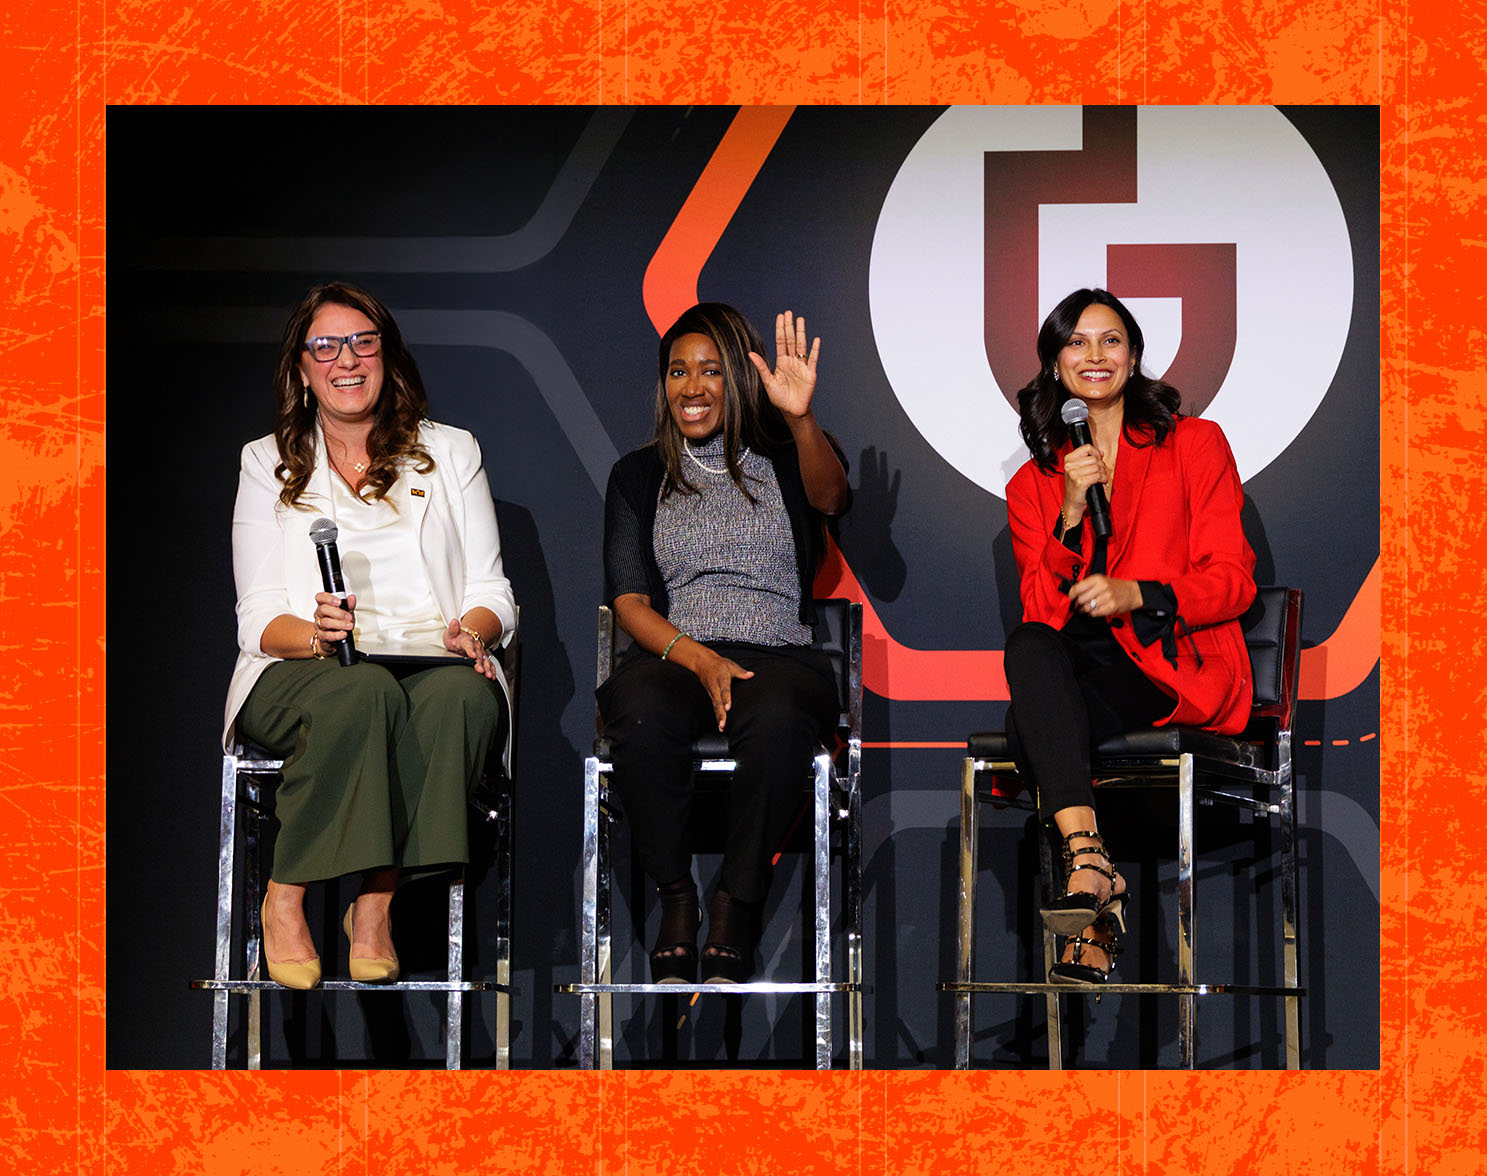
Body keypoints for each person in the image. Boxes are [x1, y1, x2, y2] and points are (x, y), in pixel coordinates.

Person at [222, 282, 517, 989]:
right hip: (302, 667)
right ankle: (285, 893)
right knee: (363, 692)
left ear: (387, 356)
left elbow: (492, 593)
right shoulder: (266, 463)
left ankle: (375, 900)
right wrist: (317, 635)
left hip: (431, 655)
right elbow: (256, 616)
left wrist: (472, 633)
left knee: (466, 704)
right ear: (301, 367)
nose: (345, 360)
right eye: (325, 346)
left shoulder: (451, 453)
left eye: (363, 342)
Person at [1003, 288, 1256, 984]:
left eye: (1109, 340)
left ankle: (1091, 886)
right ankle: (1090, 866)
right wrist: (1071, 508)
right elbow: (1039, 612)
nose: (1093, 355)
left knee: (1030, 722)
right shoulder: (1034, 483)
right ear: (1055, 366)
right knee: (1030, 654)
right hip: (1080, 659)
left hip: (1169, 660)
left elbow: (1232, 578)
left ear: (1134, 356)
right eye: (1075, 342)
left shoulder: (1195, 443)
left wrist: (1138, 592)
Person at [598, 303, 849, 984]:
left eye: (710, 370)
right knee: (639, 712)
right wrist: (698, 656)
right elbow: (628, 603)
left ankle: (736, 901)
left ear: (738, 379)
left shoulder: (783, 457)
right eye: (677, 371)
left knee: (775, 721)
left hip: (778, 658)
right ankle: (675, 898)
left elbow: (831, 497)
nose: (693, 386)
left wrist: (798, 417)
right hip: (677, 654)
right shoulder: (637, 475)